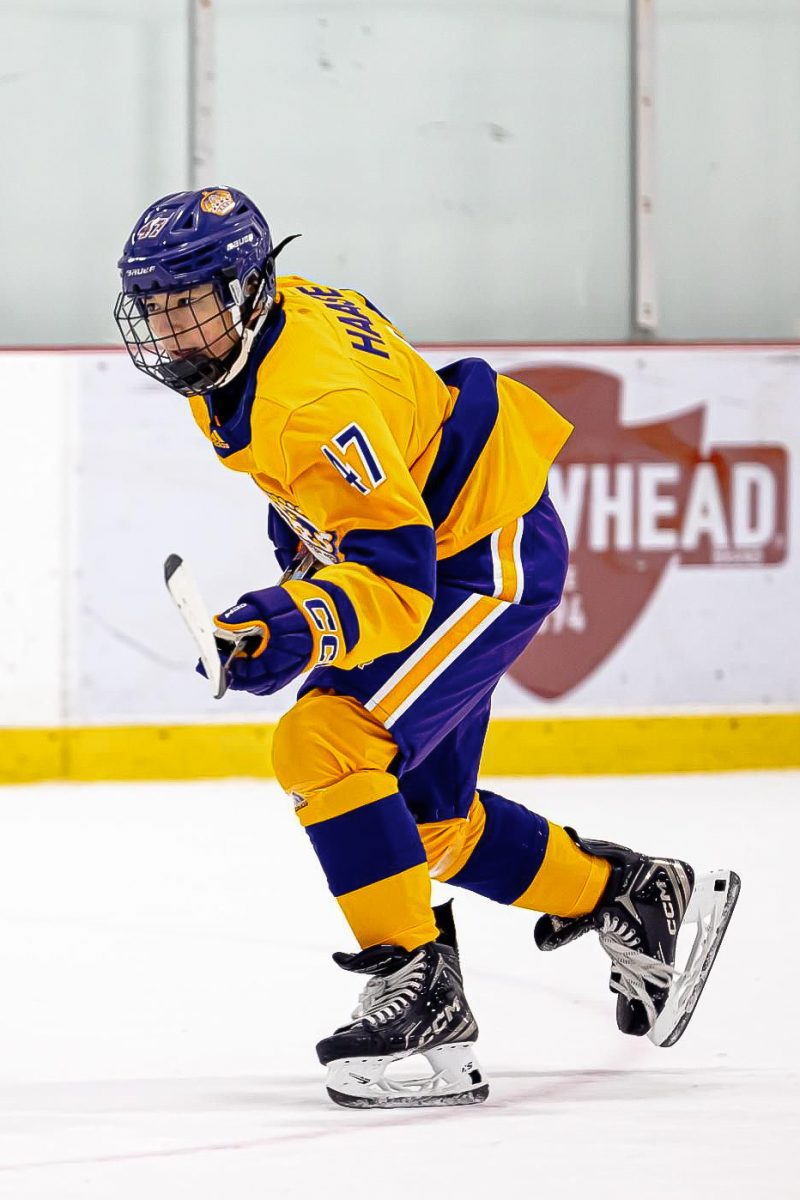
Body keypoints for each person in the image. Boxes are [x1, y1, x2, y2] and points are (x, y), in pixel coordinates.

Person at [115, 186, 740, 1109]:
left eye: (190, 302)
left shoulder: (312, 401)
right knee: (422, 828)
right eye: (155, 307)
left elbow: (396, 586)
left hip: (478, 560)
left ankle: (422, 991)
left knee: (322, 743)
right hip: (449, 531)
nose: (171, 329)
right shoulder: (264, 333)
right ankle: (626, 892)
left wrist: (287, 625)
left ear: (248, 290)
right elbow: (343, 488)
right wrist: (302, 584)